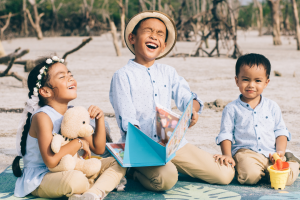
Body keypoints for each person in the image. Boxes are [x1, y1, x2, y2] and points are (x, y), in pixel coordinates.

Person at [109, 11, 234, 192]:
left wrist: (192, 111)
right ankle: (133, 170)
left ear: (164, 45)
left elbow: (190, 98)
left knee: (225, 174)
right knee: (167, 179)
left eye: (160, 34)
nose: (154, 36)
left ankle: (168, 166)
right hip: (143, 149)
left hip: (173, 144)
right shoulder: (123, 76)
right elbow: (128, 123)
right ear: (132, 37)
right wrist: (150, 150)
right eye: (148, 31)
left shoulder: (168, 72)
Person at [12, 56, 126, 200]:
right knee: (76, 179)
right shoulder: (42, 117)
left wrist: (100, 119)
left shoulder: (72, 114)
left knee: (119, 161)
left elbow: (99, 149)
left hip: (72, 168)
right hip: (42, 177)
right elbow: (51, 161)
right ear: (46, 91)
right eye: (62, 77)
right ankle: (91, 186)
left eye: (70, 75)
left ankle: (94, 193)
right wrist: (78, 143)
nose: (70, 78)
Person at [214, 53, 299, 185]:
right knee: (250, 177)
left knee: (286, 180)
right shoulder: (231, 109)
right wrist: (227, 155)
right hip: (246, 153)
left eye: (257, 81)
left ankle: (292, 160)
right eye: (246, 79)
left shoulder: (272, 106)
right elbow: (225, 134)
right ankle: (264, 172)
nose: (251, 85)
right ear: (237, 81)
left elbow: (280, 132)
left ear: (266, 83)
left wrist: (280, 152)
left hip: (271, 153)